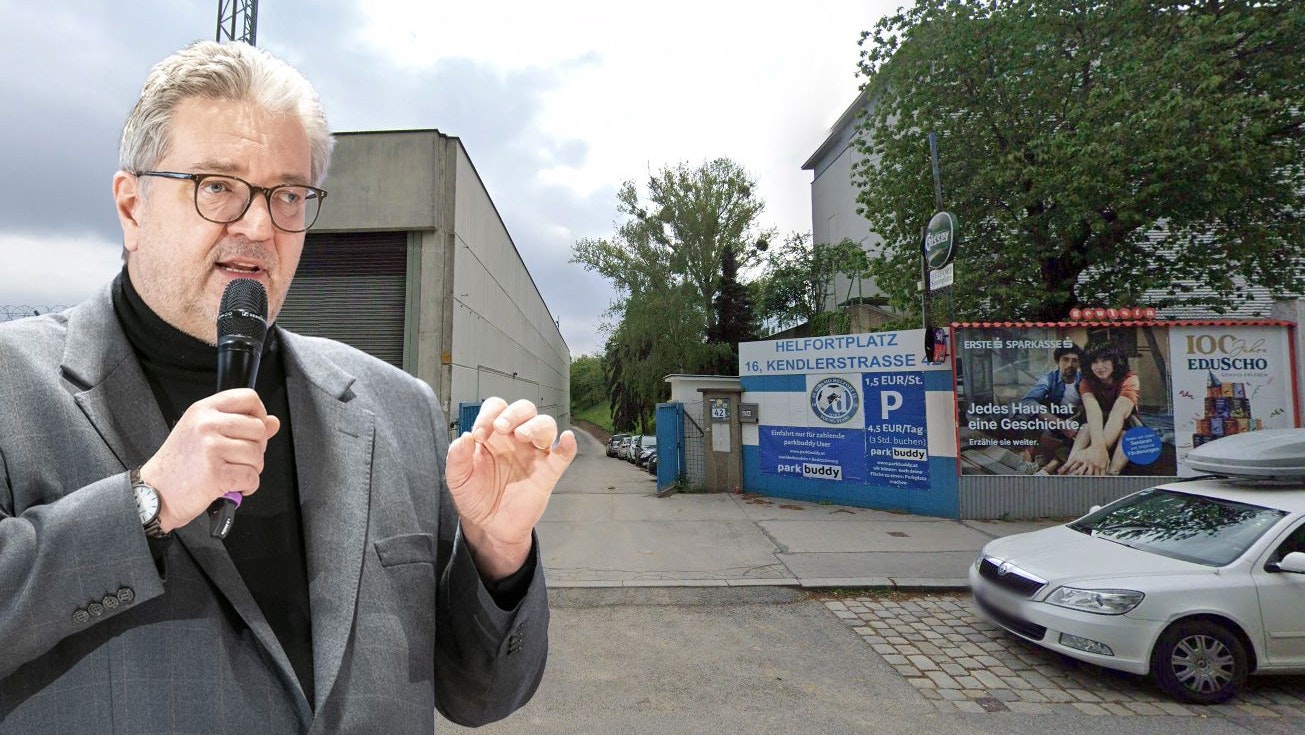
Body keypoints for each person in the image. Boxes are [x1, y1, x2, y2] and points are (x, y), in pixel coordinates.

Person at [0, 41, 576, 734]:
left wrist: (497, 552)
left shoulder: (397, 408)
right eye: (217, 185)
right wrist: (144, 504)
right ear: (132, 206)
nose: (257, 224)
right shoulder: (13, 384)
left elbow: (481, 696)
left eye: (287, 194)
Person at [1059, 342, 1143, 476]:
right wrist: (1097, 449)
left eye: (1105, 361)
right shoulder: (1086, 382)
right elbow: (1093, 411)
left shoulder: (1130, 378)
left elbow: (1119, 412)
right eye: (1094, 362)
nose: (1100, 367)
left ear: (1115, 362)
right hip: (1097, 424)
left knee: (1128, 436)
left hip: (1125, 423)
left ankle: (1110, 473)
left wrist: (1097, 451)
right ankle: (1072, 469)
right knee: (1085, 428)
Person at [1017, 343, 1082, 472]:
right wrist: (1058, 423)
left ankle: (1051, 466)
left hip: (1075, 422)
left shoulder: (1084, 380)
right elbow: (1027, 401)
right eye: (1065, 359)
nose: (1070, 364)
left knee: (1085, 430)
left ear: (1079, 363)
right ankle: (1028, 459)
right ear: (1058, 361)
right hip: (1055, 419)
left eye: (1074, 360)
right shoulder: (1049, 378)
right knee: (1036, 408)